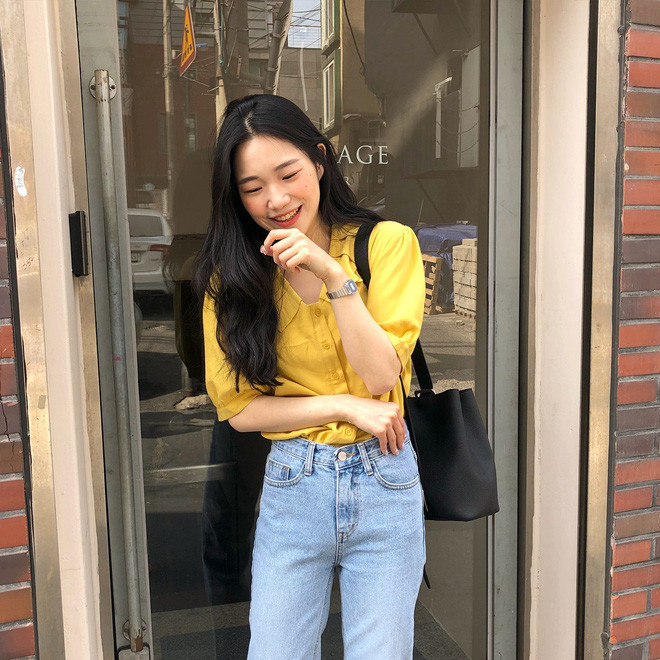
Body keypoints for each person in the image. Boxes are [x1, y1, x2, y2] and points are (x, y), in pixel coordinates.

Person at [195, 94, 426, 659]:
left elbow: (380, 374)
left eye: (288, 174)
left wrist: (331, 274)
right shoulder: (233, 280)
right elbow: (238, 409)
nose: (275, 200)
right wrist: (342, 407)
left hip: (385, 479)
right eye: (253, 187)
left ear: (320, 161)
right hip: (294, 484)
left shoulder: (386, 244)